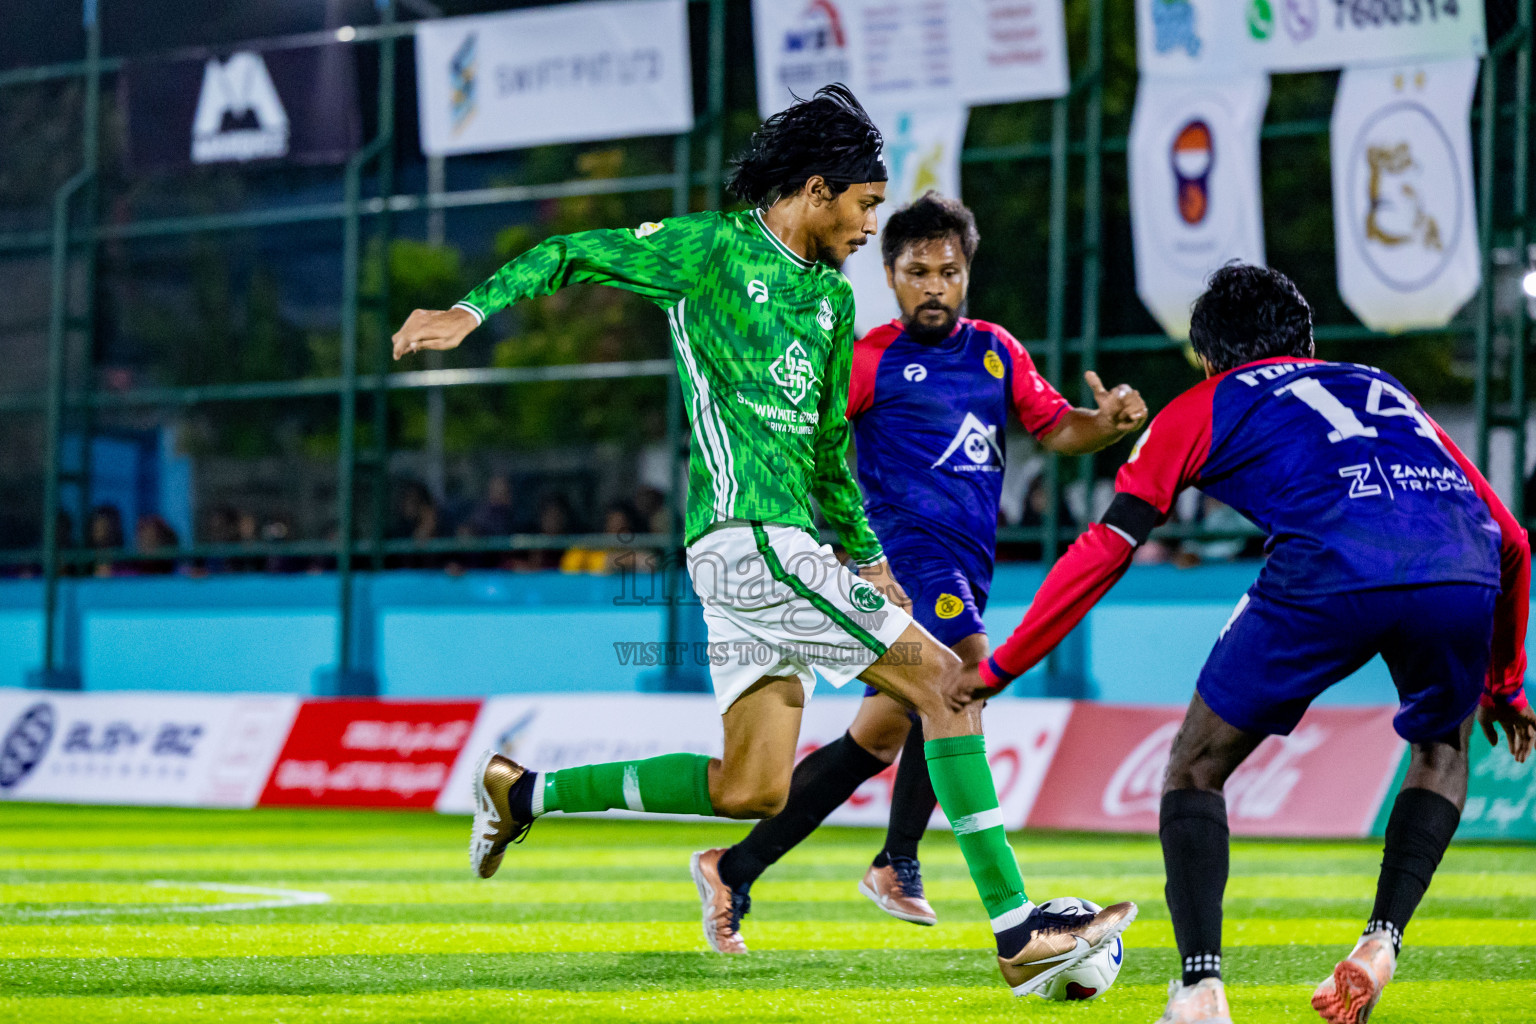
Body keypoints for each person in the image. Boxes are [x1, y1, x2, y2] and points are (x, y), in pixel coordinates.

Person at [391, 84, 1135, 996]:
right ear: (818, 190)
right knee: (950, 684)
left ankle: (523, 790)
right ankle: (1018, 928)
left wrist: (866, 559)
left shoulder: (827, 303)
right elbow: (568, 252)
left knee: (752, 790)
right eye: (865, 206)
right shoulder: (711, 251)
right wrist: (467, 312)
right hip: (750, 540)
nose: (872, 228)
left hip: (777, 553)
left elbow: (829, 452)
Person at [964, 263, 1535, 1024]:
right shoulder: (1378, 383)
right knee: (1443, 748)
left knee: (1195, 767)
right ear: (1306, 340)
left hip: (1327, 571)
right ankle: (1382, 940)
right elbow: (1516, 541)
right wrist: (1505, 681)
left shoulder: (1198, 408)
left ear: (1205, 358)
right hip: (1457, 571)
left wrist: (1005, 663)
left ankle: (1200, 988)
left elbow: (1109, 544)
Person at [697, 192, 1147, 944]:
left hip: (968, 568)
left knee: (877, 740)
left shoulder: (997, 351)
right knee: (964, 676)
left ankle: (733, 870)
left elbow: (1058, 426)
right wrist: (827, 539)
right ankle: (927, 873)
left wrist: (1107, 426)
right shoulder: (869, 358)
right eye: (916, 272)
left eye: (947, 271)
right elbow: (803, 443)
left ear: (966, 274)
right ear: (890, 273)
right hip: (905, 562)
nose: (933, 285)